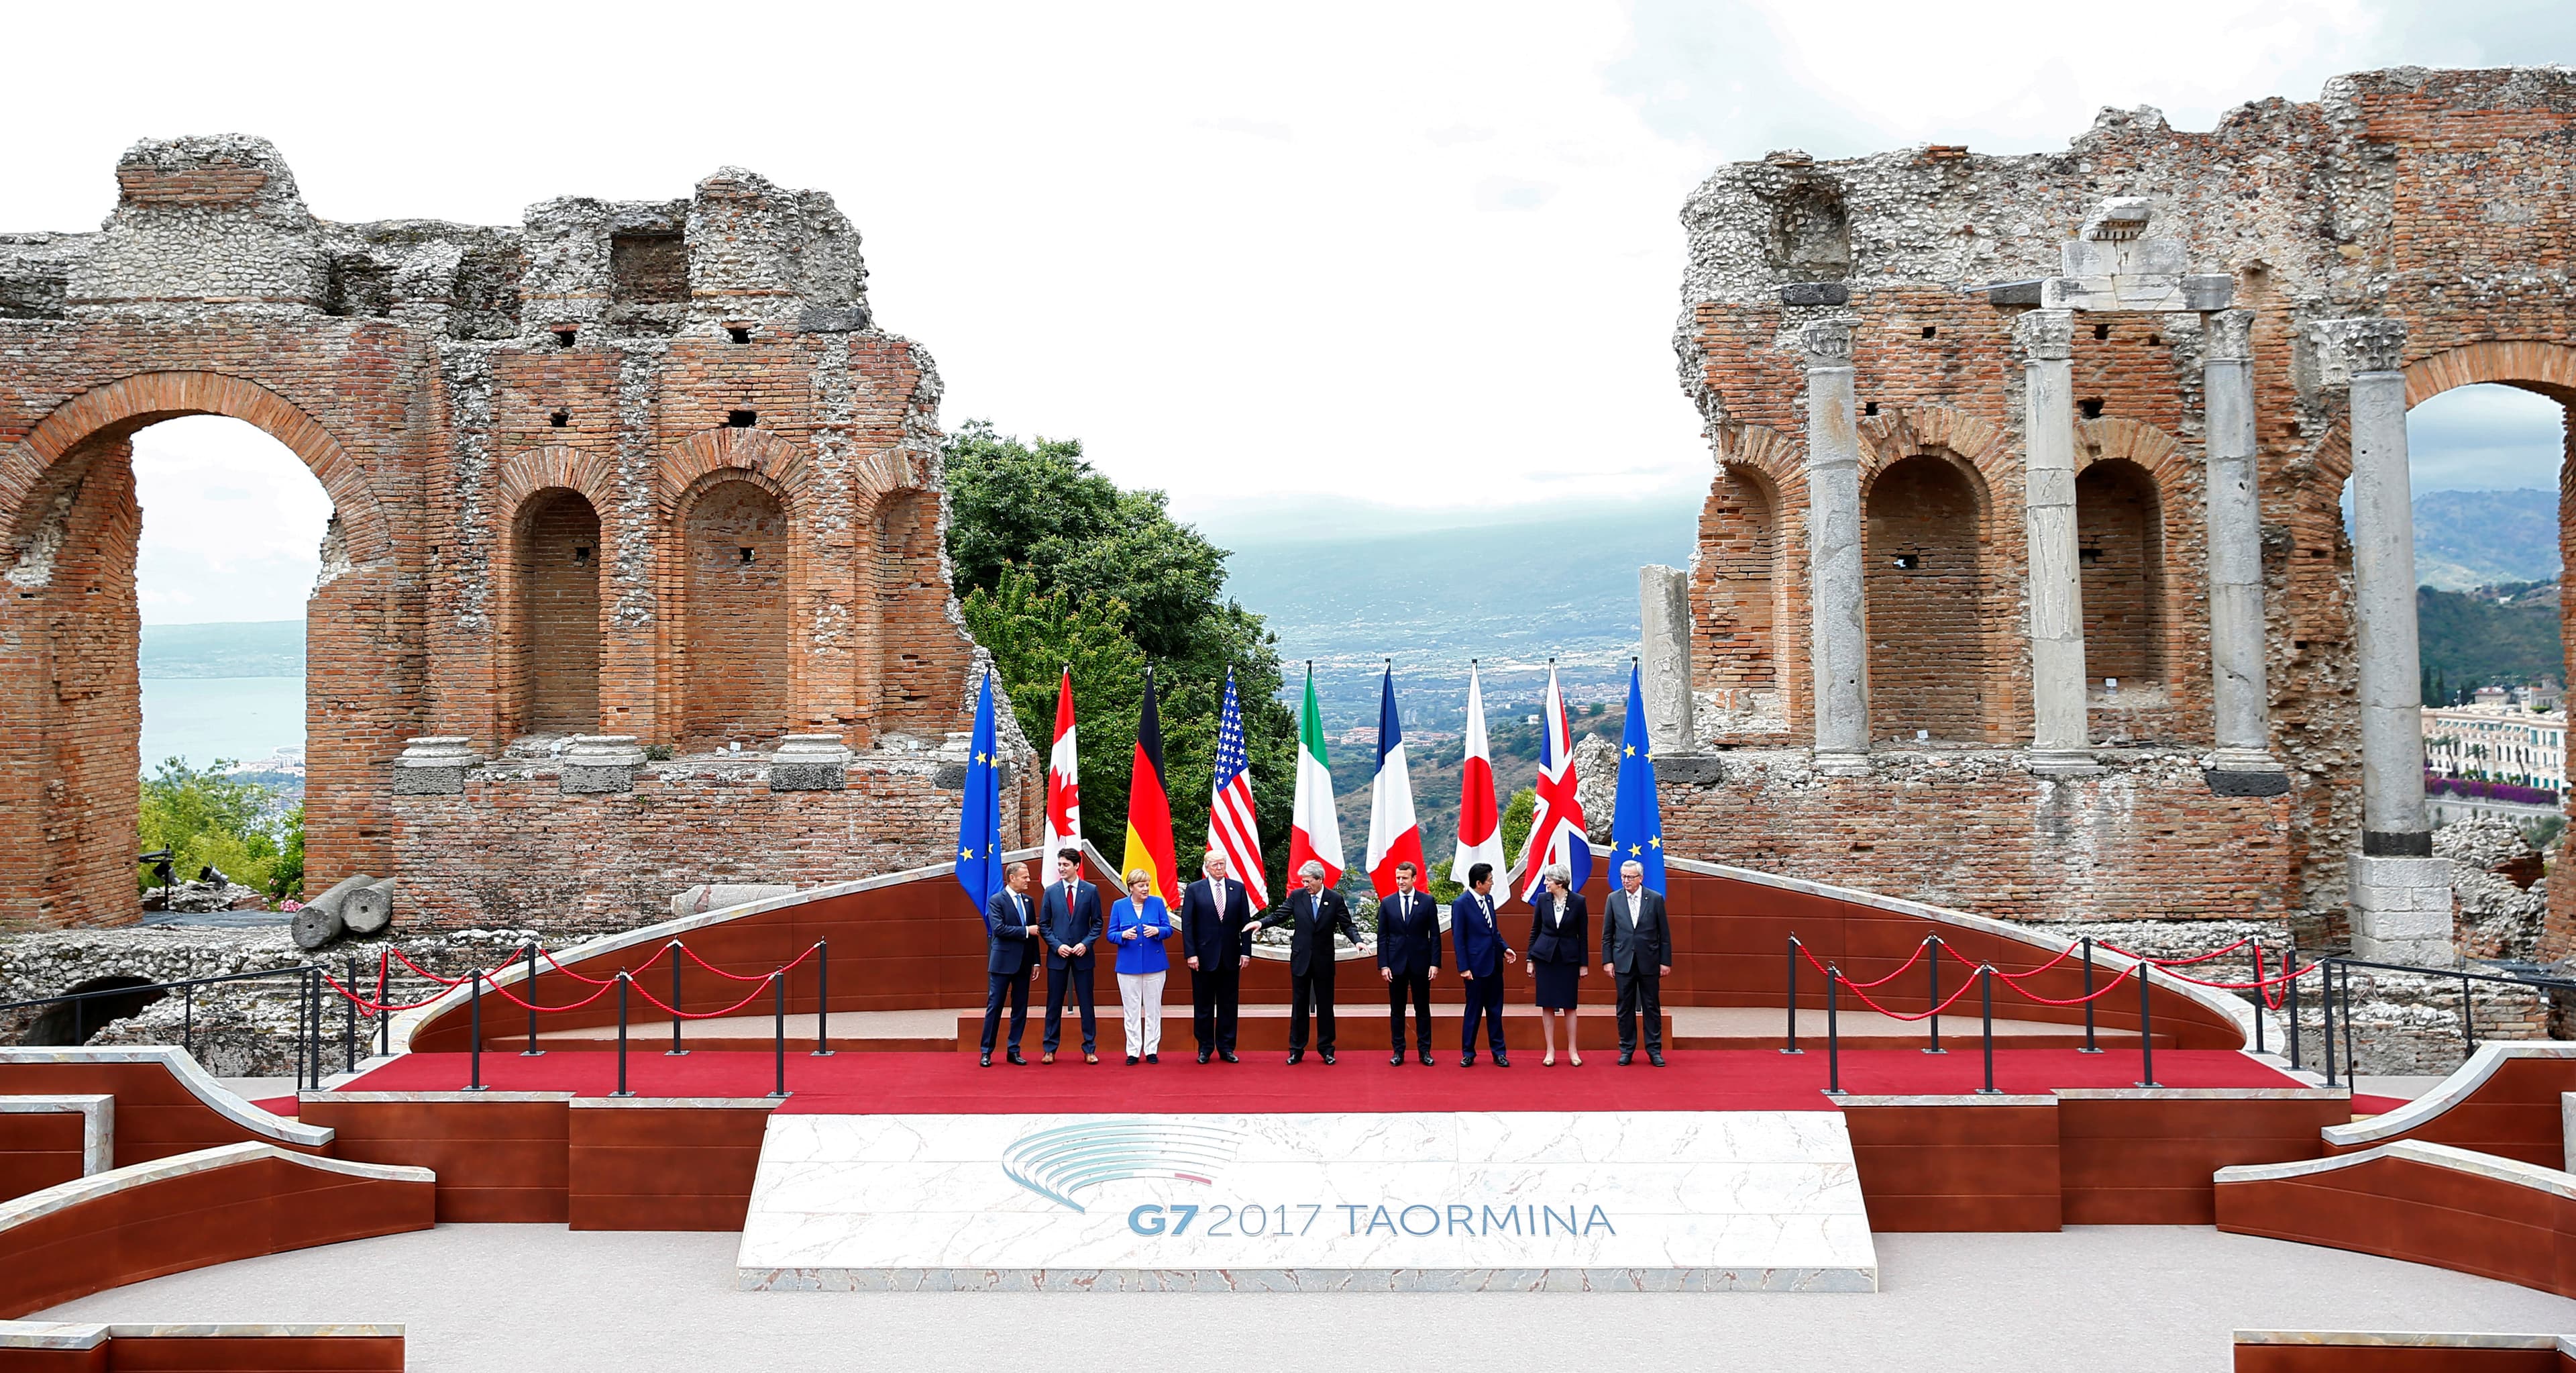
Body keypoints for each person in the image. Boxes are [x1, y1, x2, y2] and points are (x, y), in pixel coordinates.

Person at [1260, 860, 1360, 1064]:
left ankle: (1327, 1049)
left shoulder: (1335, 899)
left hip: (1323, 961)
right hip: (1301, 959)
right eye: (1303, 881)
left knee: (1325, 1007)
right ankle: (1296, 1049)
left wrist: (1357, 941)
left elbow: (1347, 925)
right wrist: (1260, 923)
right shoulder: (1297, 897)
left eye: (1308, 881)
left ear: (1320, 879)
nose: (1305, 885)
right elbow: (1280, 915)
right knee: (1299, 1006)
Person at [1179, 852, 1256, 1064]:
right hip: (1203, 958)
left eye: (1222, 864)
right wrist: (1191, 954)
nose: (1219, 868)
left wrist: (1246, 951)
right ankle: (1205, 1048)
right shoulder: (1195, 889)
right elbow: (1188, 924)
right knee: (1203, 1005)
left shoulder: (1237, 888)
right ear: (1207, 867)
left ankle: (1226, 1047)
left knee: (1228, 1005)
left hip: (1230, 957)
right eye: (1215, 864)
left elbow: (1246, 923)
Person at [1601, 858, 1672, 1066]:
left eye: (1630, 877)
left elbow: (1664, 935)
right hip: (1623, 961)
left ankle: (1654, 1050)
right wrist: (1608, 961)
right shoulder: (1613, 899)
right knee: (1625, 1007)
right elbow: (1608, 934)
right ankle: (1626, 1048)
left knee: (1651, 1006)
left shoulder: (1656, 899)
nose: (1626, 881)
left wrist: (1665, 962)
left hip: (1649, 961)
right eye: (1623, 877)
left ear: (1640, 878)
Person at [1038, 847, 1102, 1064]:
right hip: (1058, 956)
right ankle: (1049, 1048)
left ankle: (1090, 1048)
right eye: (1059, 865)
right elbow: (1044, 925)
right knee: (1054, 1003)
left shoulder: (1091, 891)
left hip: (1083, 956)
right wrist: (1057, 946)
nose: (1061, 868)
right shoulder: (1051, 891)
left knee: (1086, 1002)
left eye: (1066, 865)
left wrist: (1086, 944)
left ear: (1076, 866)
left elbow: (1098, 923)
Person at [1450, 862, 1517, 1066]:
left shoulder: (1488, 900)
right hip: (1475, 969)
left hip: (1495, 965)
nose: (1492, 883)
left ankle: (1499, 1052)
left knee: (1495, 1011)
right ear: (1479, 883)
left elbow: (1493, 931)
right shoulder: (1461, 904)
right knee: (1474, 1011)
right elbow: (1458, 938)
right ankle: (1468, 1052)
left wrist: (1505, 948)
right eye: (1489, 880)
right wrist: (1463, 968)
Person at [1106, 868, 1175, 1065]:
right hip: (1128, 965)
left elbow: (1168, 930)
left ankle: (1152, 1049)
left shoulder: (1157, 903)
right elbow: (1110, 934)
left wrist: (1158, 931)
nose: (1145, 889)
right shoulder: (1119, 906)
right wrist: (1122, 936)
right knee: (1131, 1009)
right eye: (1141, 885)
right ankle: (1133, 1051)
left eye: (1147, 885)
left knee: (1154, 1009)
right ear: (1131, 887)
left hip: (1155, 963)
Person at [1376, 860, 1441, 1066]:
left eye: (1404, 878)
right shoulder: (1387, 903)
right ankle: (1398, 1051)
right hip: (1396, 965)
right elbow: (1382, 937)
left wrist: (1435, 963)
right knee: (1397, 1010)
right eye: (1398, 878)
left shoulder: (1427, 902)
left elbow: (1435, 935)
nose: (1400, 881)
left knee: (1423, 1009)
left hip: (1421, 963)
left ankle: (1425, 1051)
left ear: (1414, 878)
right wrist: (1383, 965)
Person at [1525, 863, 1590, 1067]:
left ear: (1560, 883)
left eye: (1548, 880)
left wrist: (1583, 964)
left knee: (1570, 1004)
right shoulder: (1542, 900)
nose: (1545, 883)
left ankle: (1573, 1050)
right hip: (1545, 957)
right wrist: (1530, 959)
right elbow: (1535, 930)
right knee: (1548, 1004)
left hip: (1569, 958)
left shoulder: (1579, 902)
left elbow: (1583, 936)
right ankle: (1550, 1050)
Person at [979, 860, 1040, 1067]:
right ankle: (986, 1051)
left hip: (1024, 963)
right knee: (995, 1007)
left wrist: (1036, 962)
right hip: (1003, 962)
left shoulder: (1029, 901)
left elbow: (1035, 936)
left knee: (1020, 1008)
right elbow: (999, 929)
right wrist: (1025, 931)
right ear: (1012, 878)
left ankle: (1014, 1049)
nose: (1028, 880)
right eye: (1025, 877)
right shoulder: (997, 900)